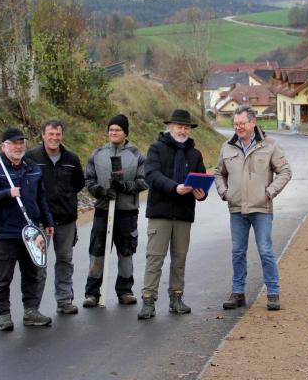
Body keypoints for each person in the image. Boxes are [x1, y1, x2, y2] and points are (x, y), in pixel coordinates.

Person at [0, 127, 55, 331]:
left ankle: (31, 311)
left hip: (31, 230)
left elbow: (41, 198)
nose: (19, 147)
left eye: (21, 143)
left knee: (32, 273)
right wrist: (7, 193)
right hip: (5, 232)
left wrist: (48, 222)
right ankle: (3, 314)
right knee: (4, 277)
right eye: (14, 143)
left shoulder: (33, 167)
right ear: (4, 146)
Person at [214, 105, 292, 311]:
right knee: (237, 252)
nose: (238, 127)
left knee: (265, 250)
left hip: (261, 209)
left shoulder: (270, 145)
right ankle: (237, 292)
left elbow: (285, 172)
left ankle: (273, 293)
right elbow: (218, 172)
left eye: (242, 123)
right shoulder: (227, 147)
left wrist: (270, 191)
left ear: (253, 122)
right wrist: (224, 192)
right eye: (236, 124)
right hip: (236, 209)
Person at [138, 109, 208, 320]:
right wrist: (174, 187)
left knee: (179, 259)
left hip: (184, 213)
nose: (183, 130)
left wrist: (201, 193)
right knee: (155, 259)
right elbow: (151, 174)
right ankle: (148, 300)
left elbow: (201, 178)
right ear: (170, 127)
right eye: (179, 126)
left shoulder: (195, 154)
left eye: (186, 127)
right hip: (160, 212)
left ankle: (176, 298)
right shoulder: (156, 148)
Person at [83, 114, 148, 307]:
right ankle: (92, 293)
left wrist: (125, 187)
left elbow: (144, 181)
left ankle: (125, 291)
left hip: (127, 212)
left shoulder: (136, 155)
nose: (114, 132)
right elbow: (89, 180)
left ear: (125, 132)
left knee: (125, 252)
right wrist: (101, 191)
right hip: (103, 211)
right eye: (111, 129)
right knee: (97, 252)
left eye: (118, 130)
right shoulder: (98, 154)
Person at [26, 120, 85, 315]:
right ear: (43, 135)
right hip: (41, 221)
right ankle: (33, 308)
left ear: (62, 136)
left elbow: (78, 184)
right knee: (38, 265)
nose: (54, 138)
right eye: (50, 134)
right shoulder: (31, 158)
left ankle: (64, 300)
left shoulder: (71, 159)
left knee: (65, 261)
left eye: (58, 134)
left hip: (66, 219)